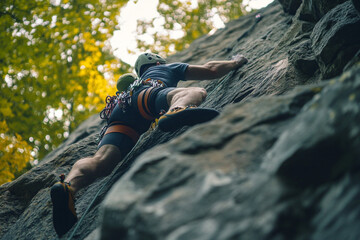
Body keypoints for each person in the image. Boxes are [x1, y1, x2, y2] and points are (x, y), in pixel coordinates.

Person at [50, 52, 248, 236]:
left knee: (101, 160)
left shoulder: (131, 84)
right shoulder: (166, 68)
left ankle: (68, 187)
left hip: (121, 112)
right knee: (194, 91)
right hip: (145, 98)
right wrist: (235, 61)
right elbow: (211, 69)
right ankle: (177, 109)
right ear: (157, 62)